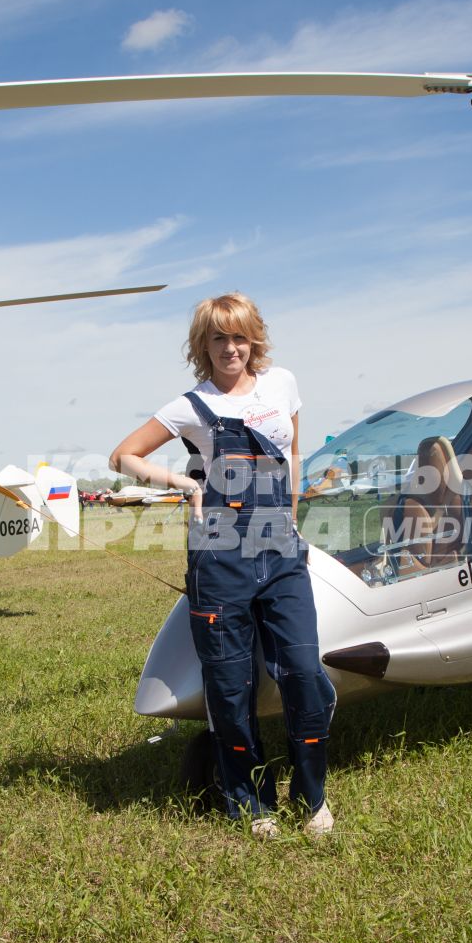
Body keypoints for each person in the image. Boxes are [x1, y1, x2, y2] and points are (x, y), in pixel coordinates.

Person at [111, 292, 338, 839]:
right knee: (230, 686)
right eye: (219, 338)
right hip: (220, 556)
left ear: (253, 340)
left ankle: (312, 798)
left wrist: (291, 518)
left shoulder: (281, 384)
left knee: (305, 674)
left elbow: (292, 456)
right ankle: (251, 802)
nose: (230, 348)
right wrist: (185, 482)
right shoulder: (190, 405)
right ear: (203, 345)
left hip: (281, 550)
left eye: (239, 337)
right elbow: (122, 456)